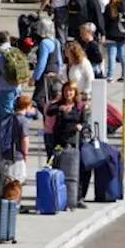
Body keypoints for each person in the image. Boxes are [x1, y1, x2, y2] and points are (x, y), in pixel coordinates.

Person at [44, 81, 86, 209]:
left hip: (75, 141)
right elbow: (49, 111)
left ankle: (77, 197)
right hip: (59, 140)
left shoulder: (79, 106)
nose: (69, 93)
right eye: (67, 90)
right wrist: (59, 108)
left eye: (71, 91)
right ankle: (57, 196)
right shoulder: (59, 105)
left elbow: (85, 122)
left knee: (76, 170)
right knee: (57, 167)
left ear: (75, 93)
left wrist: (81, 126)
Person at [0, 32, 24, 122]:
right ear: (8, 40)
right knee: (16, 111)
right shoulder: (15, 50)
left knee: (6, 115)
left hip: (5, 88)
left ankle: (8, 134)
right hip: (18, 86)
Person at [0, 95, 32, 189]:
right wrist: (25, 153)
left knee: (7, 180)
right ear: (27, 106)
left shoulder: (9, 118)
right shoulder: (23, 121)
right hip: (17, 154)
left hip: (6, 152)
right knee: (17, 182)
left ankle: (6, 202)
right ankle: (14, 202)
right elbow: (24, 139)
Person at [31, 15, 63, 110]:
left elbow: (42, 63)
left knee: (38, 98)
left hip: (46, 73)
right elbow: (59, 59)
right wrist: (59, 72)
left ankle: (48, 115)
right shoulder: (56, 41)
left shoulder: (44, 43)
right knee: (50, 97)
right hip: (55, 71)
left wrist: (34, 77)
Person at [104, 0, 125, 81]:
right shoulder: (124, 7)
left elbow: (105, 21)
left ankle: (110, 75)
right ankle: (124, 74)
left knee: (111, 56)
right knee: (122, 55)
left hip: (111, 34)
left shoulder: (109, 7)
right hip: (122, 34)